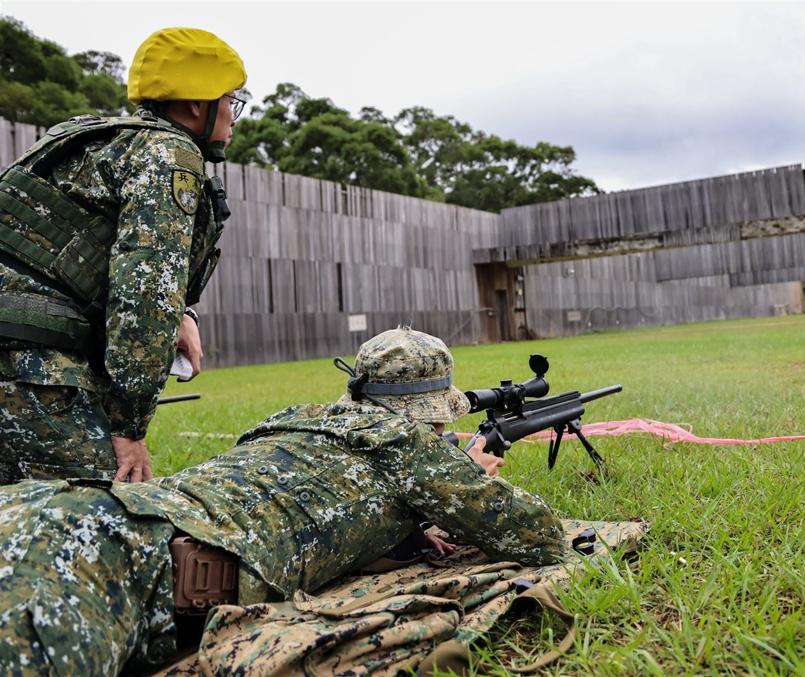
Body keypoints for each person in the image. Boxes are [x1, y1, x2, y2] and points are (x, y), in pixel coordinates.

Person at [0, 327, 566, 674]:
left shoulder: (289, 420)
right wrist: (464, 478)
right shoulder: (407, 445)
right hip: (113, 556)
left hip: (54, 506)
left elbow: (322, 505)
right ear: (432, 410)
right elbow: (539, 536)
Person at [0, 27, 248, 485]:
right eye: (232, 100)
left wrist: (184, 312)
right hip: (32, 362)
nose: (234, 116)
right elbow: (145, 298)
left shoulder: (87, 138)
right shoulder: (169, 154)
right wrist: (128, 426)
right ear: (198, 103)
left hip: (20, 349)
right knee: (104, 520)